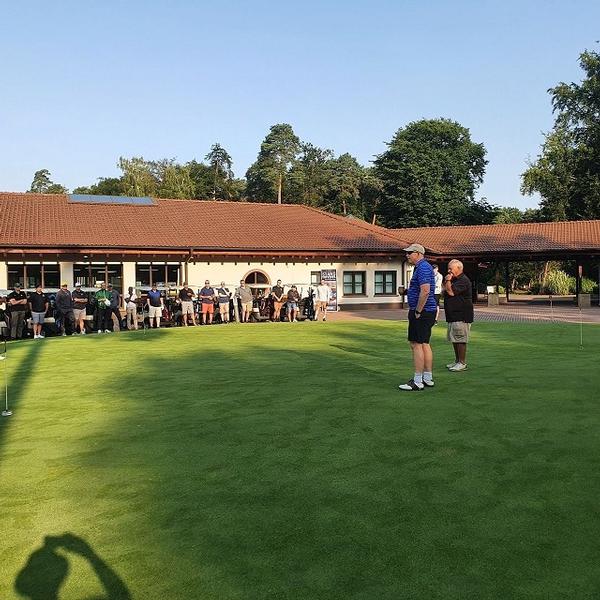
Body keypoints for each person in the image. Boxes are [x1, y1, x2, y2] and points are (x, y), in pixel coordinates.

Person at [399, 244, 438, 391]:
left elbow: (426, 291)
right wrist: (408, 292)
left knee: (416, 344)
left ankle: (417, 381)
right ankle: (427, 378)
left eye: (410, 253)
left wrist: (418, 311)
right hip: (427, 311)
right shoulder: (423, 267)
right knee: (424, 343)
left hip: (422, 311)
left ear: (418, 253)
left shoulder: (422, 267)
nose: (407, 256)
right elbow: (422, 289)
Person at [443, 259, 474, 372]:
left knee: (460, 339)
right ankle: (457, 361)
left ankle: (462, 362)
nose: (449, 271)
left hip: (462, 314)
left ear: (459, 268)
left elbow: (451, 292)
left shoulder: (463, 280)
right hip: (453, 314)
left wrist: (447, 280)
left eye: (451, 268)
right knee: (454, 338)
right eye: (448, 268)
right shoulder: (454, 280)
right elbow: (445, 291)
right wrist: (448, 281)